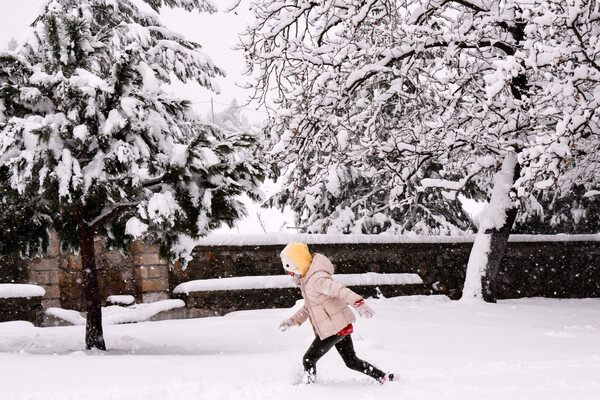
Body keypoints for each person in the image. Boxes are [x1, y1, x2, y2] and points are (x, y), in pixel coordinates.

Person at [278, 242, 394, 384]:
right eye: (288, 273)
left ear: (300, 265)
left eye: (292, 271)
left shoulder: (317, 279)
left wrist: (358, 302)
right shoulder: (308, 282)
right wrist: (292, 321)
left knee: (309, 359)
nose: (291, 276)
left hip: (333, 329)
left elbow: (340, 290)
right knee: (351, 361)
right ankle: (383, 377)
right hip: (339, 326)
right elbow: (308, 307)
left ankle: (309, 388)